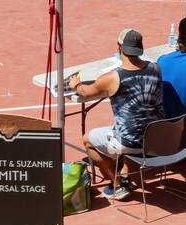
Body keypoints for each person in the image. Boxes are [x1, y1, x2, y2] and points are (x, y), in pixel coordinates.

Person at [69, 29, 164, 201]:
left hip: (130, 141)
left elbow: (85, 92)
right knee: (127, 126)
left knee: (87, 139)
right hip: (156, 138)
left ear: (119, 48)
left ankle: (117, 184)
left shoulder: (112, 77)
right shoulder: (156, 69)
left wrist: (75, 84)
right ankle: (125, 171)